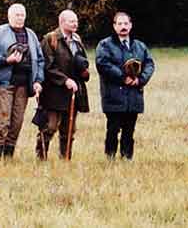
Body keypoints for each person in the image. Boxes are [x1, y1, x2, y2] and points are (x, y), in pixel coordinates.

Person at [0, 3, 44, 158]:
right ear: (9, 16)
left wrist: (38, 80)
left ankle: (9, 155)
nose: (19, 18)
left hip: (24, 85)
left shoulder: (31, 35)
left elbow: (40, 59)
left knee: (17, 122)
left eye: (22, 15)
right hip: (4, 84)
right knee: (1, 122)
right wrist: (6, 60)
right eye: (16, 15)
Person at [96, 12, 155, 160]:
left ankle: (127, 158)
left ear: (131, 25)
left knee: (129, 130)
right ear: (114, 26)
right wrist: (123, 77)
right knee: (113, 129)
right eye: (120, 24)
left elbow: (149, 64)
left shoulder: (140, 46)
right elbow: (103, 64)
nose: (123, 27)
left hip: (134, 95)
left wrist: (140, 80)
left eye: (126, 24)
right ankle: (110, 158)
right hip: (114, 95)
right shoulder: (105, 45)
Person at [36, 9, 90, 160]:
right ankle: (41, 157)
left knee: (69, 129)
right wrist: (65, 80)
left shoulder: (77, 39)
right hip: (54, 91)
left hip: (73, 91)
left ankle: (65, 158)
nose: (75, 24)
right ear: (62, 22)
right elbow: (47, 66)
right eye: (72, 21)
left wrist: (85, 72)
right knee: (50, 127)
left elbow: (82, 61)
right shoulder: (50, 39)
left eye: (76, 21)